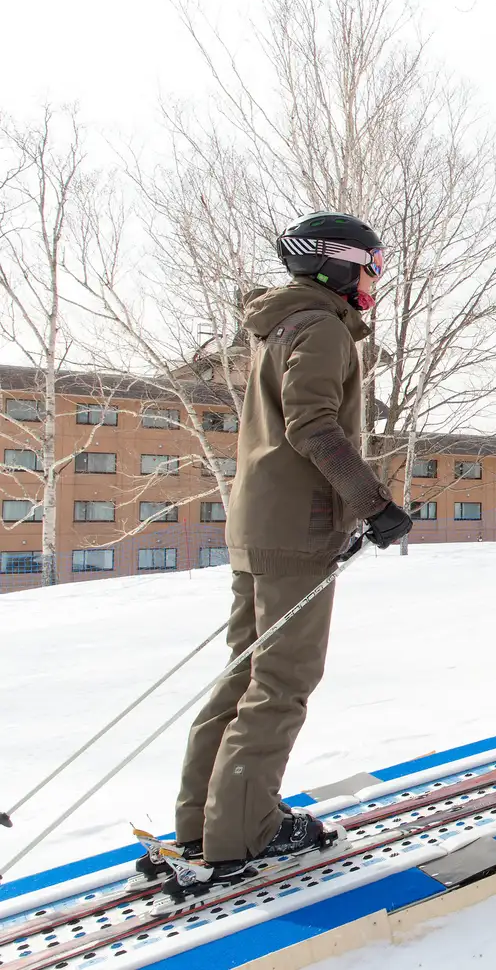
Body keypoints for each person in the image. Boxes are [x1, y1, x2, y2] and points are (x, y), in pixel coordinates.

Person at [171, 211, 415, 884]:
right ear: (335, 265)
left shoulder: (281, 325)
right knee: (281, 681)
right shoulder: (322, 330)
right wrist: (374, 502)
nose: (373, 281)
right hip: (295, 528)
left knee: (246, 674)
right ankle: (243, 833)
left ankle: (203, 823)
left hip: (258, 522)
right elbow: (313, 427)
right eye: (370, 267)